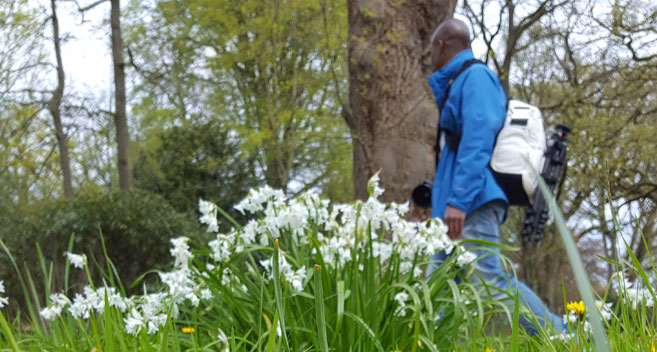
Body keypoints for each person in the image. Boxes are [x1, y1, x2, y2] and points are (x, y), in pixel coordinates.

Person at [424, 18, 566, 335]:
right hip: (454, 207)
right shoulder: (458, 82)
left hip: (470, 204)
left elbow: (478, 138)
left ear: (441, 45)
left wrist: (459, 200)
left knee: (490, 281)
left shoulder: (475, 77)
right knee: (439, 290)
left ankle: (567, 337)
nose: (429, 56)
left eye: (431, 49)